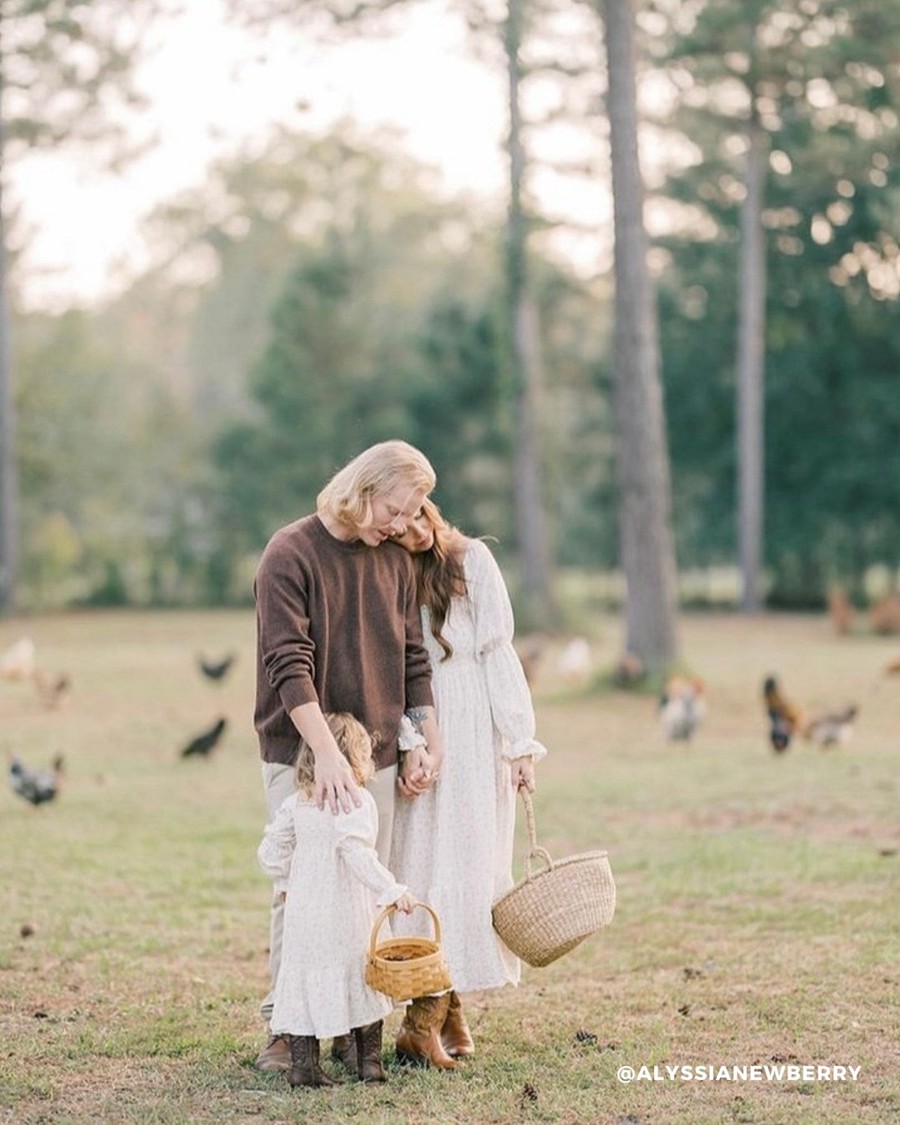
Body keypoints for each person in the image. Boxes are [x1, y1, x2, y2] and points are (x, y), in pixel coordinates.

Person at [253, 440, 443, 1073]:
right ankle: (287, 1025)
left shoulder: (394, 559)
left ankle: (351, 1024)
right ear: (365, 489)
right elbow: (287, 660)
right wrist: (325, 753)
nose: (403, 524)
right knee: (300, 891)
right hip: (303, 753)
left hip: (377, 752)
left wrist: (423, 735)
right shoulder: (291, 552)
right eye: (397, 508)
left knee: (364, 889)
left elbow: (412, 654)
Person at [389, 498, 548, 1065]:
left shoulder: (472, 560)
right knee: (423, 865)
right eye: (398, 523)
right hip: (421, 721)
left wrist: (519, 741)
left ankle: (435, 1014)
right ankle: (432, 1011)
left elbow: (498, 654)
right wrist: (409, 741)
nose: (409, 531)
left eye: (416, 517)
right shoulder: (386, 566)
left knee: (468, 864)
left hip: (476, 727)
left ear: (429, 509)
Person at [257, 712, 418, 1087]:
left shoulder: (298, 804)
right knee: (360, 974)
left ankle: (304, 1066)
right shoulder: (357, 802)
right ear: (359, 757)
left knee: (304, 976)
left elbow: (271, 849)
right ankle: (369, 1063)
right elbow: (357, 853)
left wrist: (286, 880)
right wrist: (392, 890)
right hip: (346, 910)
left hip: (305, 911)